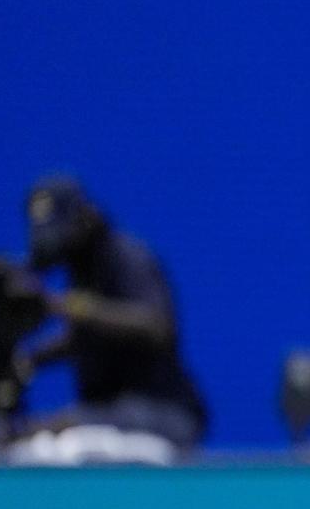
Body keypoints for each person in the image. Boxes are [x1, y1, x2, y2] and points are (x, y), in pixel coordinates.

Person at [19, 175, 208, 451]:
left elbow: (156, 325)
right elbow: (83, 339)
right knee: (23, 435)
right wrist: (26, 360)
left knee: (57, 431)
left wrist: (70, 306)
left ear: (83, 217)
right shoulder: (81, 268)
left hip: (161, 413)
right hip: (107, 411)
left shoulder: (126, 256)